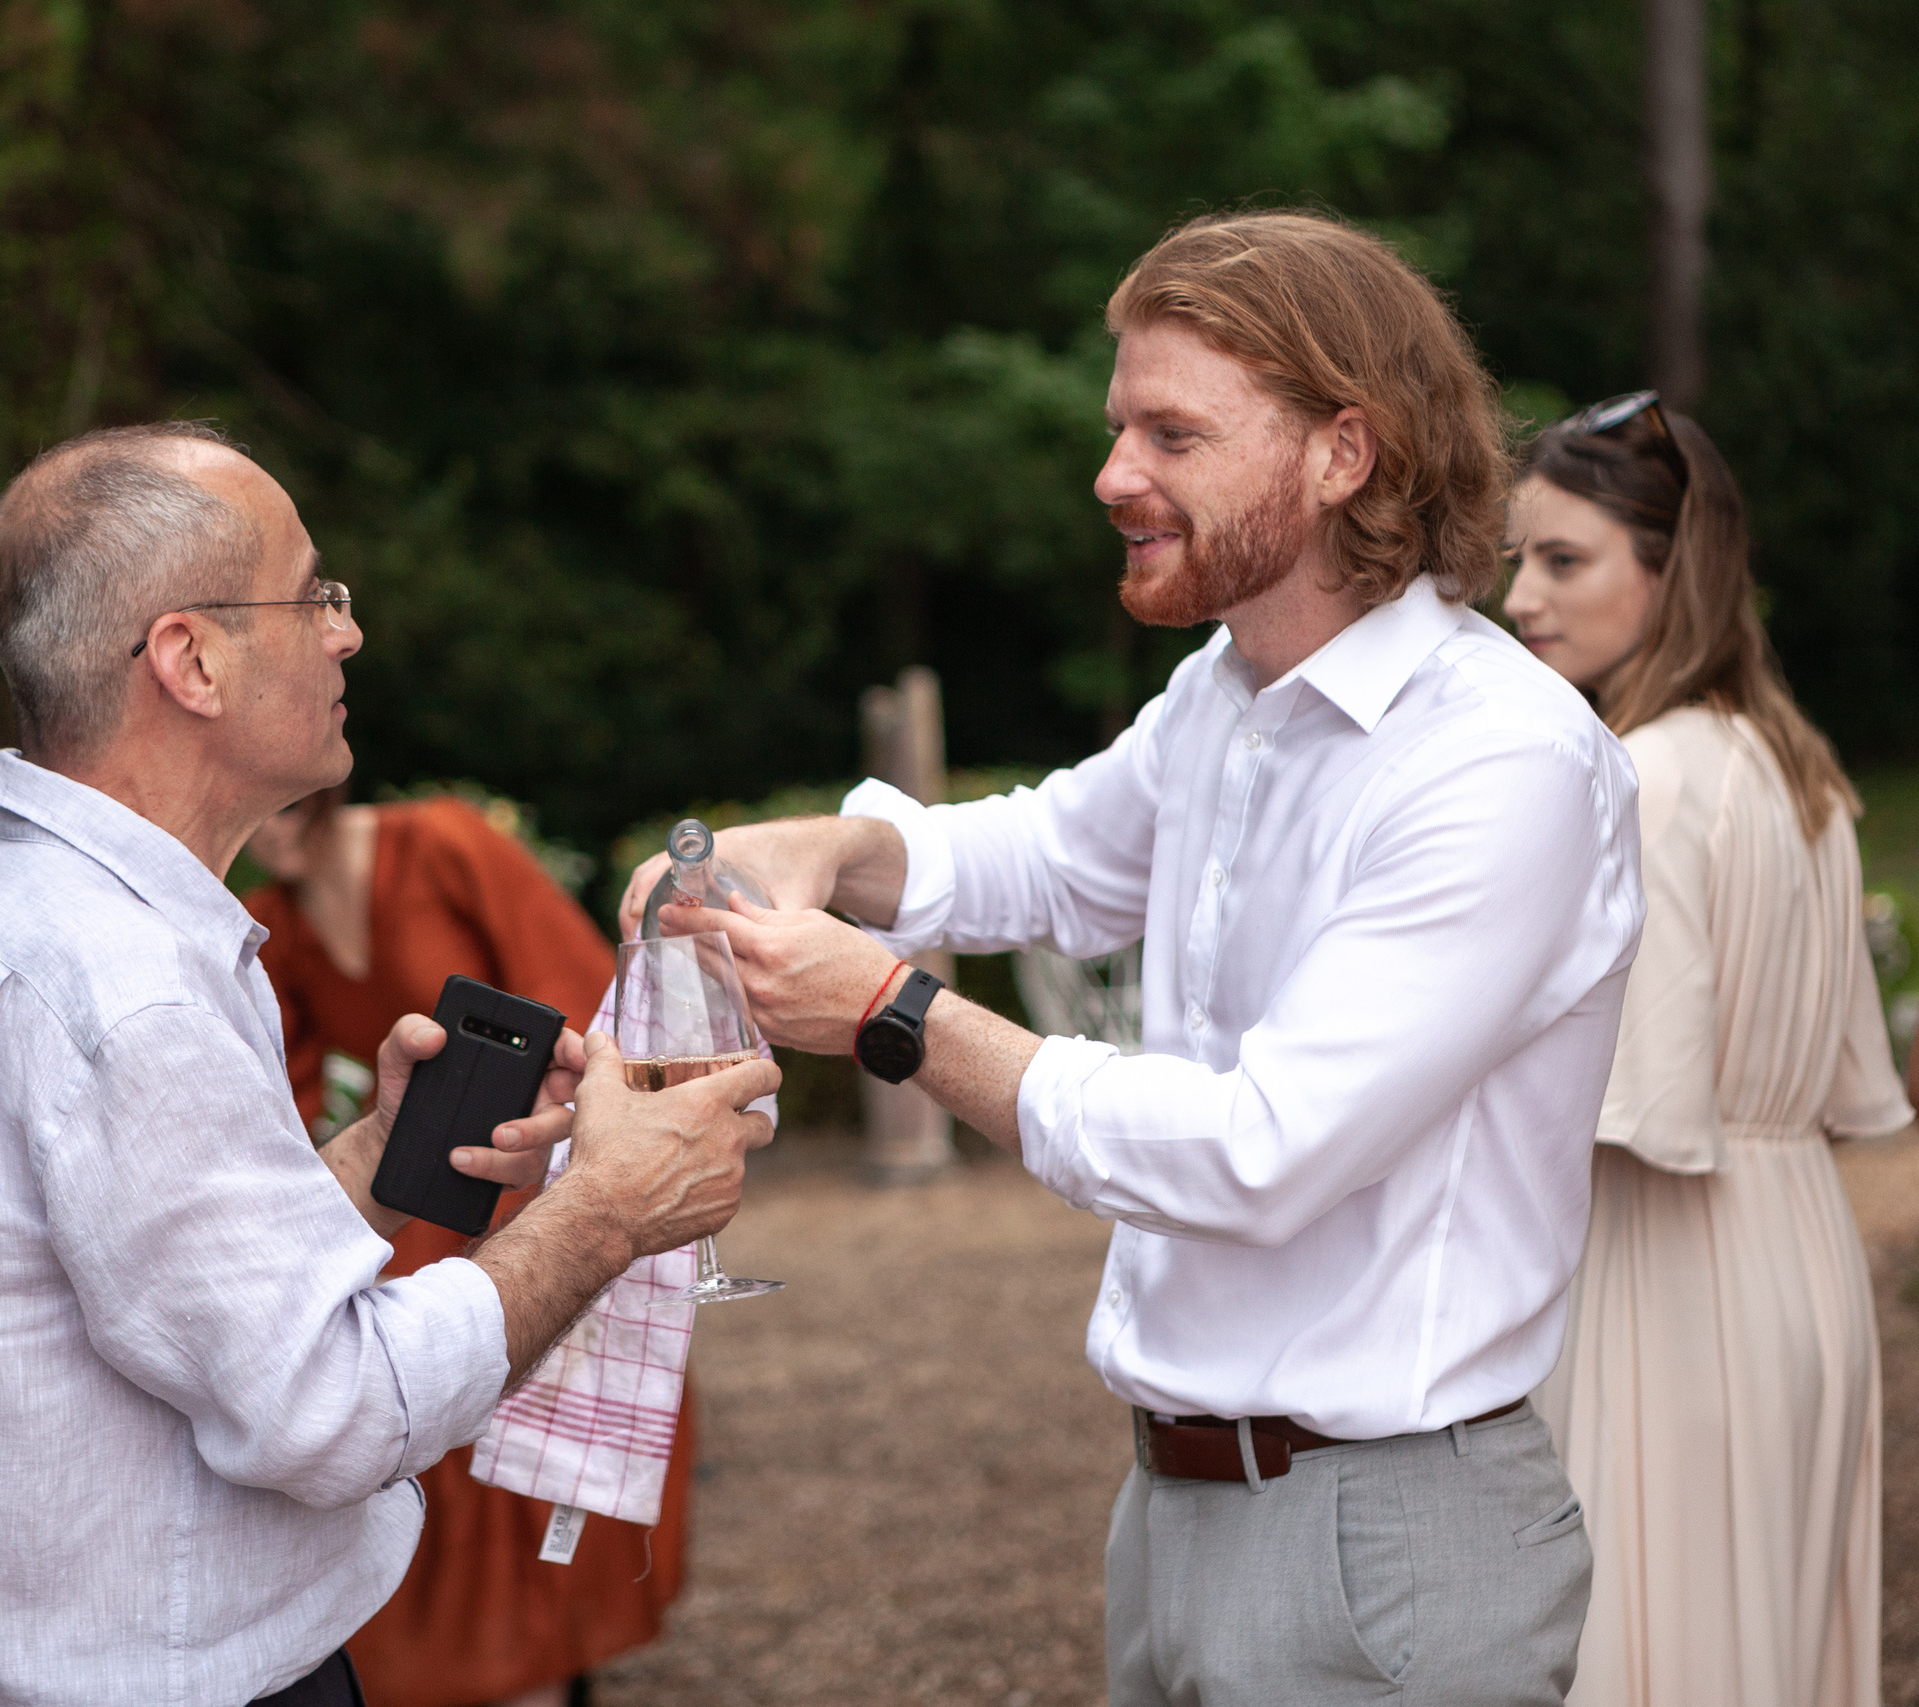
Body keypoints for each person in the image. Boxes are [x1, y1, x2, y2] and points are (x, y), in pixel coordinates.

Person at [625, 211, 1641, 1705]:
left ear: (1340, 453)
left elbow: (1262, 1151)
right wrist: (832, 852)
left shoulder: (1502, 764)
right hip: (1173, 1510)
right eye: (1119, 429)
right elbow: (1045, 854)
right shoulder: (1227, 693)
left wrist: (898, 1016)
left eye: (1172, 432)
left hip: (1385, 1537)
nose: (1112, 477)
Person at [0, 421, 780, 1707]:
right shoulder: (123, 988)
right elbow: (329, 1410)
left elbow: (165, 1289)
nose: (346, 632)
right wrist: (605, 1213)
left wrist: (364, 1167)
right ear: (190, 660)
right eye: (311, 596)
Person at [1504, 394, 1915, 1707]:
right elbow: (1852, 1079)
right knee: (1771, 1639)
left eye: (1563, 560)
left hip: (1667, 1260)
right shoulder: (1803, 773)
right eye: (1520, 559)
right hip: (1801, 1257)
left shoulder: (1646, 776)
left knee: (1649, 1641)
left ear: (1673, 572)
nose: (1521, 598)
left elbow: (1637, 1107)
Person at [243, 788, 697, 1707]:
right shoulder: (272, 926)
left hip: (534, 1176)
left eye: (286, 805)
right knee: (379, 1388)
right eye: (254, 811)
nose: (269, 825)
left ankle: (544, 1668)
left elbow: (583, 1001)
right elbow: (272, 1111)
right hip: (416, 1194)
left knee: (524, 1432)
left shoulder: (443, 844)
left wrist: (576, 1179)